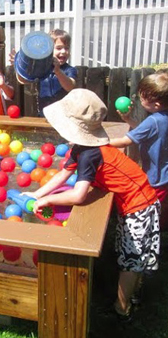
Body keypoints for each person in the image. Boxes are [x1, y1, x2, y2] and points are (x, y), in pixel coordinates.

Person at [25, 88, 160, 321]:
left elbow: (78, 195)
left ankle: (121, 309)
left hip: (141, 206)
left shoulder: (89, 154)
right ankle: (132, 294)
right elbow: (62, 175)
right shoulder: (81, 148)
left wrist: (48, 200)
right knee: (129, 254)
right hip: (134, 202)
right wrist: (36, 194)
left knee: (131, 259)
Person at [110, 71, 168, 219]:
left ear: (156, 104)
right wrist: (128, 119)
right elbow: (145, 131)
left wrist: (97, 143)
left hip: (156, 177)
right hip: (164, 173)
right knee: (162, 204)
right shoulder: (162, 117)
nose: (140, 99)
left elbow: (125, 141)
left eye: (143, 97)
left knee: (152, 208)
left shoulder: (153, 121)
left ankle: (154, 230)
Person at [13, 29, 77, 115]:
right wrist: (19, 66)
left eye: (67, 48)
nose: (63, 52)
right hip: (44, 114)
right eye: (59, 48)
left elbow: (70, 86)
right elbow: (23, 80)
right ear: (48, 51)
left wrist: (58, 72)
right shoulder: (42, 69)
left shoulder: (69, 70)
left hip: (63, 116)